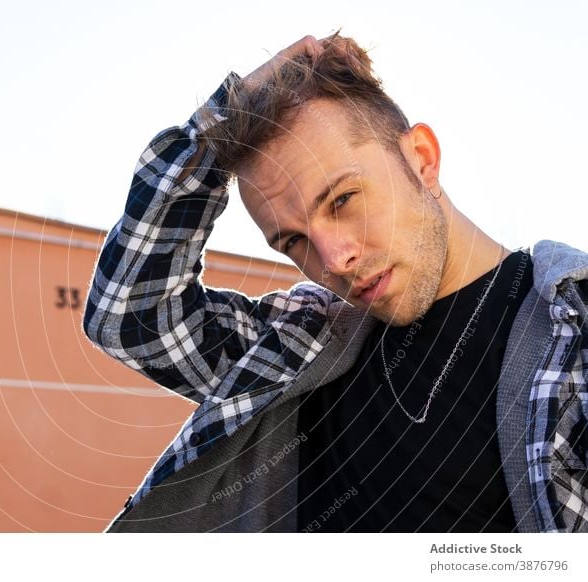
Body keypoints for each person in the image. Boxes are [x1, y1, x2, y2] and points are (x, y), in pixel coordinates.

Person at [82, 31, 588, 532]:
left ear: (422, 160)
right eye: (293, 241)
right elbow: (130, 316)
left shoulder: (573, 337)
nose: (334, 260)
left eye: (343, 200)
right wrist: (215, 128)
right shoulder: (299, 346)